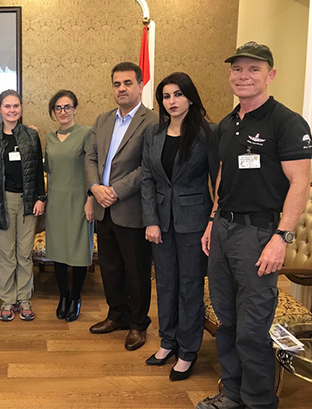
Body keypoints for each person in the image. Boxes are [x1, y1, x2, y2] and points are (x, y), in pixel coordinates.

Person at [196, 42, 312, 409]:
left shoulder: (287, 122)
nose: (243, 76)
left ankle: (259, 401)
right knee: (226, 320)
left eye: (253, 69)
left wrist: (282, 237)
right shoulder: (227, 124)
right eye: (237, 69)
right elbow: (224, 178)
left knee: (252, 328)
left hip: (261, 234)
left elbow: (300, 183)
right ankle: (232, 393)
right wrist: (213, 221)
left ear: (270, 75)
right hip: (225, 230)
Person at [141, 72, 219, 381]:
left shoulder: (208, 133)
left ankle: (188, 351)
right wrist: (150, 219)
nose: (171, 101)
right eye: (166, 96)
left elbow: (219, 181)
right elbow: (147, 176)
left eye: (177, 94)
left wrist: (213, 220)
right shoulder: (153, 133)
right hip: (160, 221)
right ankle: (167, 341)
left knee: (189, 286)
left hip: (194, 222)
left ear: (190, 97)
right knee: (165, 283)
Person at [84, 62, 157, 351]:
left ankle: (139, 324)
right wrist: (94, 188)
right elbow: (90, 159)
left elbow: (148, 166)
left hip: (133, 208)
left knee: (137, 271)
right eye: (117, 84)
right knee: (110, 268)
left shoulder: (152, 121)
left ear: (140, 86)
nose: (122, 88)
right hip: (104, 208)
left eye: (128, 83)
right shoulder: (102, 120)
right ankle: (117, 315)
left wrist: (114, 191)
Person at [0, 89, 46, 321]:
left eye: (16, 106)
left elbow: (38, 170)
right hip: (3, 201)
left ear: (21, 108)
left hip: (29, 200)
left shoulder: (31, 136)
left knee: (24, 253)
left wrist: (41, 197)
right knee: (7, 253)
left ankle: (24, 298)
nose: (12, 110)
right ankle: (7, 300)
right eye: (7, 106)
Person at [44, 90, 94, 322]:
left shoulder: (87, 133)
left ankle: (75, 297)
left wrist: (91, 199)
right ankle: (63, 295)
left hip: (80, 201)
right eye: (58, 108)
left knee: (78, 249)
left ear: (75, 108)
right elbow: (49, 172)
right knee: (60, 251)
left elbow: (93, 169)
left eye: (67, 107)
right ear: (53, 112)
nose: (63, 112)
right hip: (56, 201)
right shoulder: (50, 137)